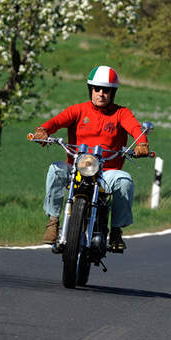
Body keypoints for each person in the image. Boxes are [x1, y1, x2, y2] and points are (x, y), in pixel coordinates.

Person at [32, 65, 149, 251]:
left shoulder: (121, 113)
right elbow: (57, 121)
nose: (101, 94)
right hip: (76, 169)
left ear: (113, 93)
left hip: (106, 173)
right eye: (97, 89)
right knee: (55, 169)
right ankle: (53, 222)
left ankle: (116, 231)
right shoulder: (78, 110)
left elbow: (135, 128)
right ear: (90, 90)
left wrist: (142, 143)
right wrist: (43, 130)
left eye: (106, 90)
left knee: (125, 181)